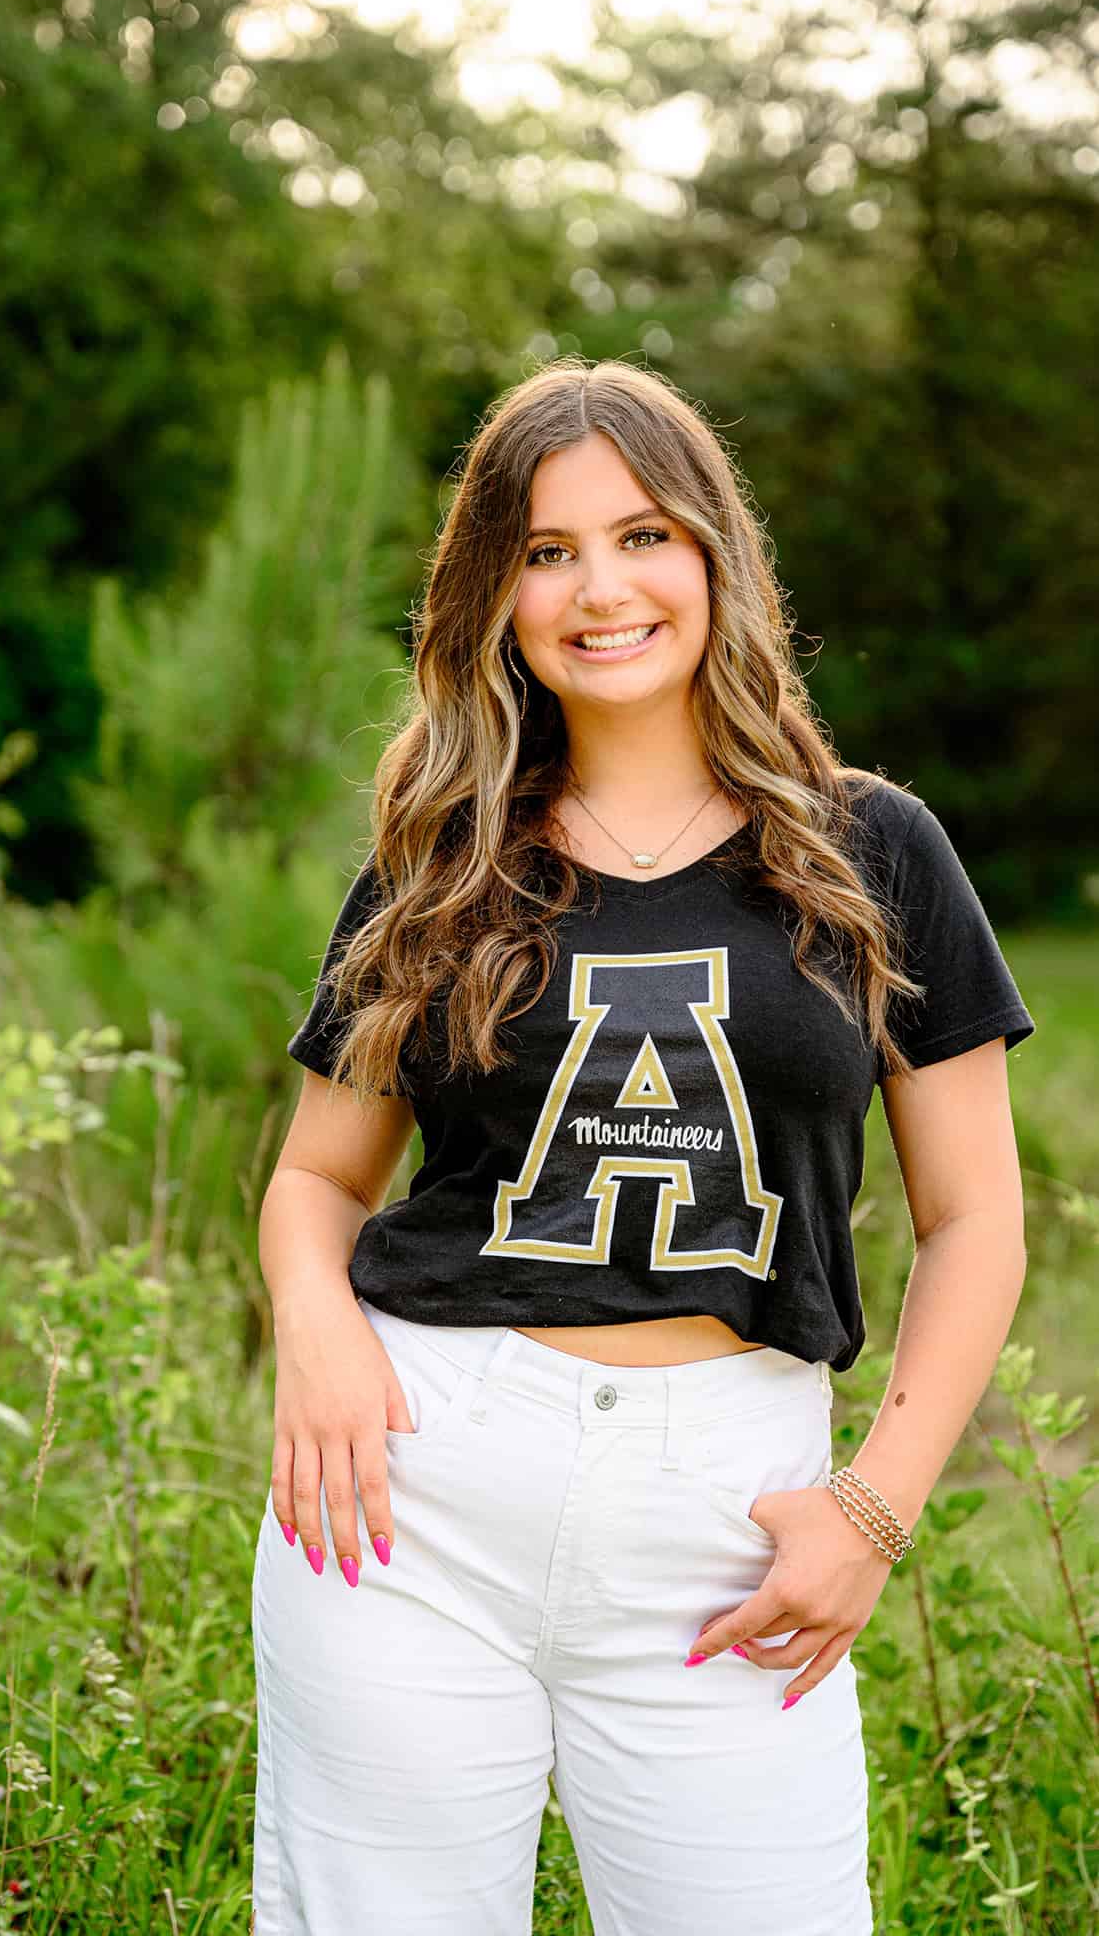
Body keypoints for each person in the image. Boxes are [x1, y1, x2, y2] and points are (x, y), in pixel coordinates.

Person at [248, 357, 1035, 1936]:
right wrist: (320, 1332)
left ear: (713, 557)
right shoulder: (441, 862)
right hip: (415, 1491)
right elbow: (316, 1179)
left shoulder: (870, 845)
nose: (598, 588)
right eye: (545, 553)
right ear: (496, 594)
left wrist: (870, 1512)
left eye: (642, 535)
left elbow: (975, 1225)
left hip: (729, 1525)